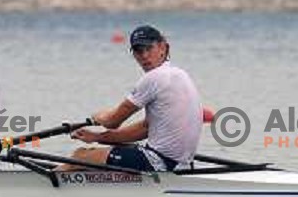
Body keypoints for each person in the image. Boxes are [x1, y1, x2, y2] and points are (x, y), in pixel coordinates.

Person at [61, 25, 202, 172]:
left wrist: (97, 116)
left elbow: (112, 121)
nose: (144, 56)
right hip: (181, 164)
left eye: (149, 48)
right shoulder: (180, 75)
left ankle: (45, 188)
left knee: (79, 156)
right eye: (138, 50)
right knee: (92, 159)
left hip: (159, 162)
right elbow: (145, 128)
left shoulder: (154, 78)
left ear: (163, 47)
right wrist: (97, 137)